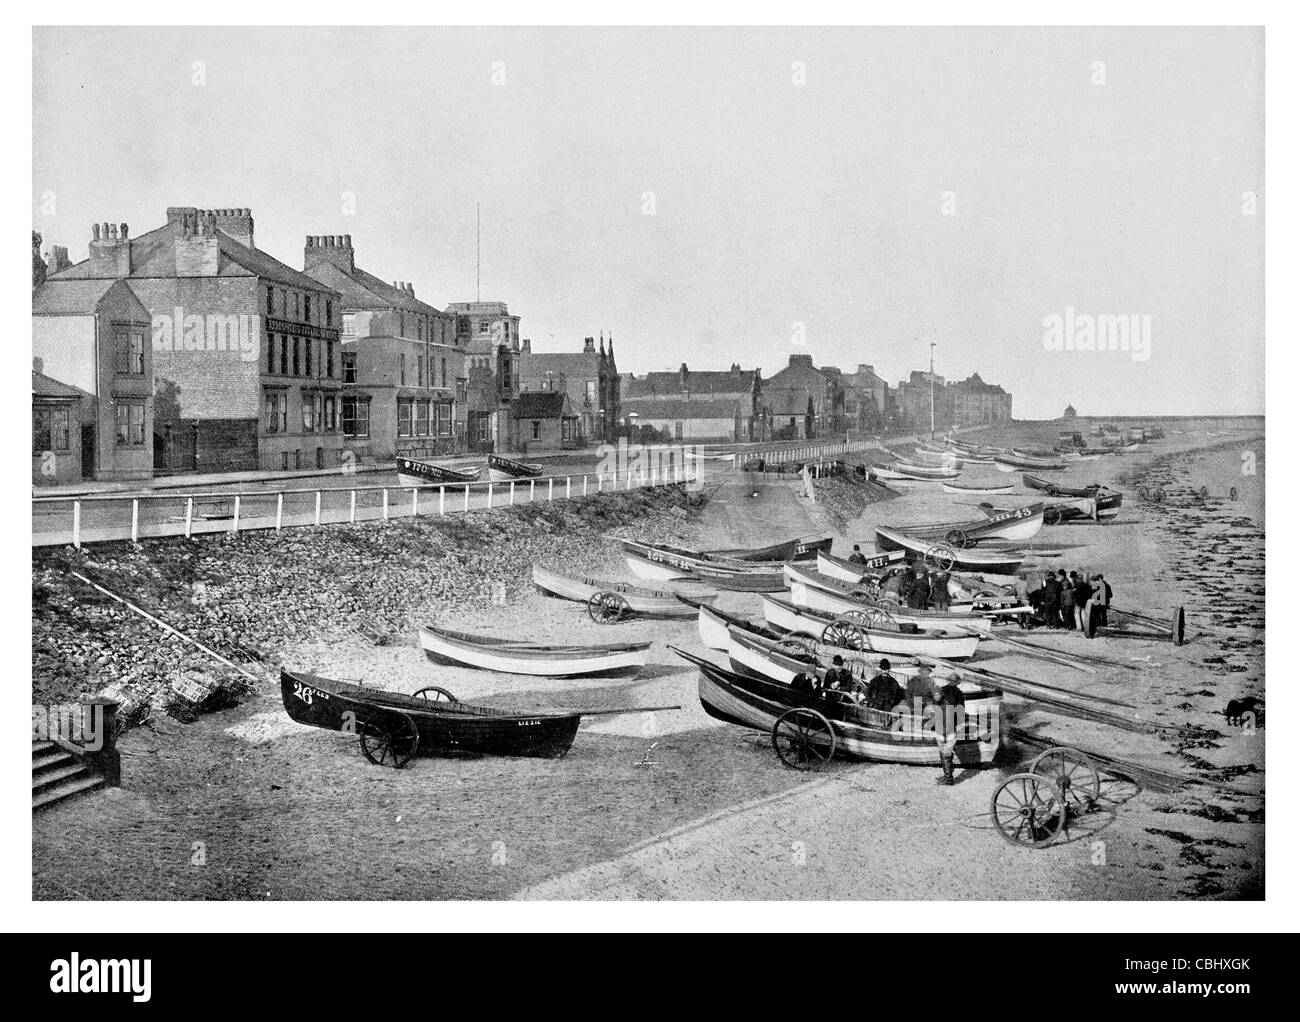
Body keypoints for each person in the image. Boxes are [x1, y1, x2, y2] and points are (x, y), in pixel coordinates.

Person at [933, 676, 967, 785]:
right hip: (951, 727)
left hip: (945, 730)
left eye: (937, 695)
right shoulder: (957, 694)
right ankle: (948, 775)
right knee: (946, 753)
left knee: (945, 753)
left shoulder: (943, 700)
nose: (936, 696)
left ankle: (949, 779)